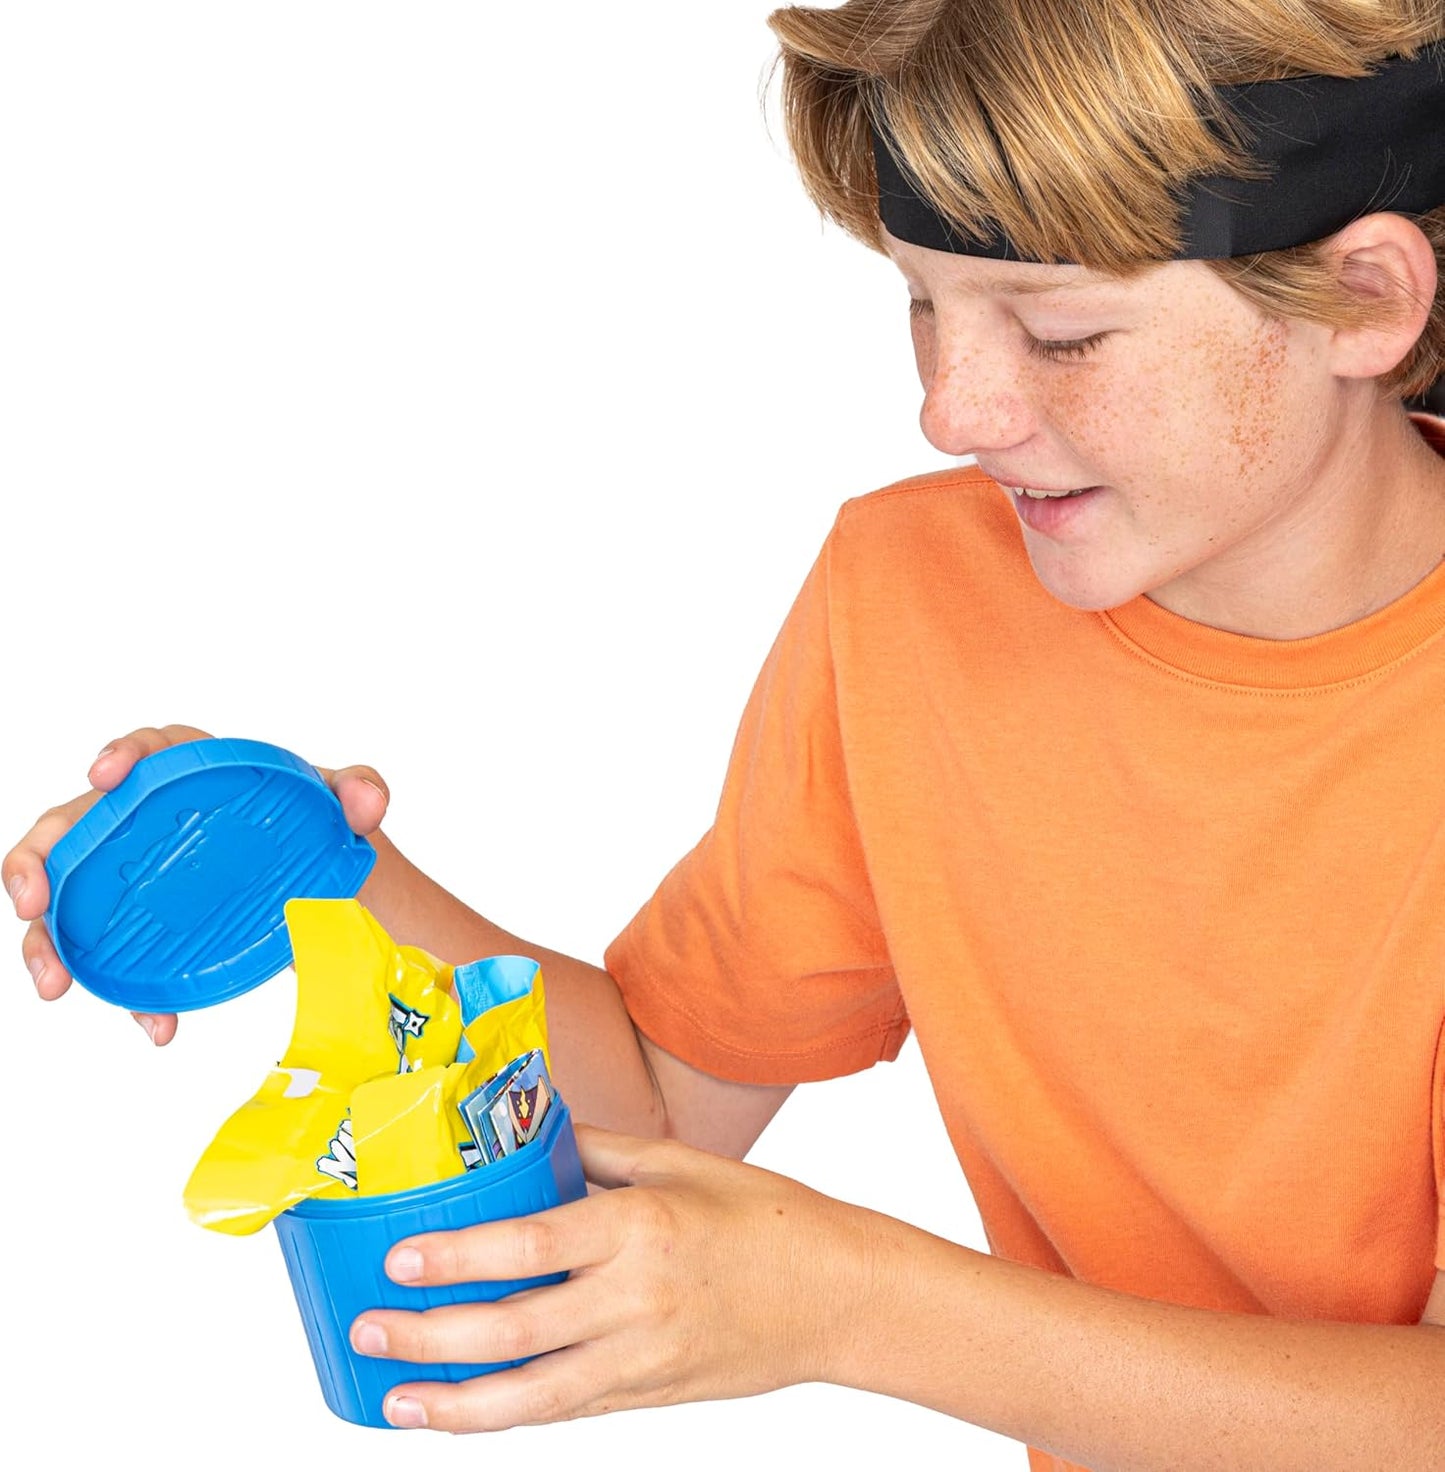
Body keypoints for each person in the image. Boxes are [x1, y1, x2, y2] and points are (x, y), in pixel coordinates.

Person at [7, 1, 1445, 1467]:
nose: (951, 408)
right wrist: (315, 873)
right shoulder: (913, 599)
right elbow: (660, 1097)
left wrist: (860, 1310)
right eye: (921, 305)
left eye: (1060, 332)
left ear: (1363, 303)